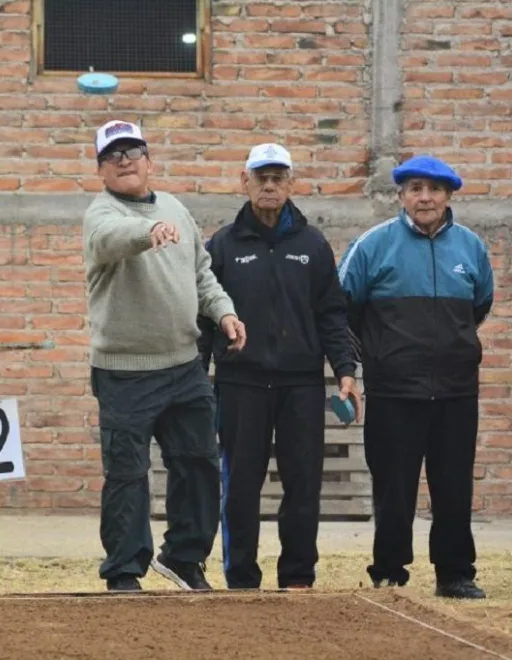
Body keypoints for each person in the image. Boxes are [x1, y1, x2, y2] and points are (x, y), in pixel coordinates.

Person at [84, 120, 246, 592]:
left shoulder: (176, 207)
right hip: (123, 373)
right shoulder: (101, 214)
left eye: (133, 151)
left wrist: (225, 313)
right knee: (127, 474)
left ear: (150, 162)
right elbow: (109, 240)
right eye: (113, 156)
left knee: (198, 463)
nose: (125, 161)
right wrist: (146, 230)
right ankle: (124, 571)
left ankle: (184, 558)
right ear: (101, 171)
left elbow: (202, 273)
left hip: (184, 367)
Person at [197, 143, 361, 590]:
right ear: (244, 181)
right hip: (240, 383)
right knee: (242, 488)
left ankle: (297, 577)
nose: (269, 185)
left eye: (278, 178)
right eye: (260, 177)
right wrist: (197, 378)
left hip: (301, 385)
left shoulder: (312, 245)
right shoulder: (223, 245)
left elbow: (332, 314)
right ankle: (241, 579)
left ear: (290, 184)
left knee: (303, 485)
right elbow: (205, 318)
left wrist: (346, 371)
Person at [338, 154, 493, 599]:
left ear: (448, 196)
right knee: (394, 488)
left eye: (434, 189)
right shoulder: (372, 245)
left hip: (456, 391)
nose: (424, 197)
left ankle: (455, 573)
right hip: (393, 390)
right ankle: (388, 572)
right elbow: (342, 308)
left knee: (453, 486)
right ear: (402, 196)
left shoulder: (471, 247)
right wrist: (376, 357)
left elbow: (479, 306)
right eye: (415, 189)